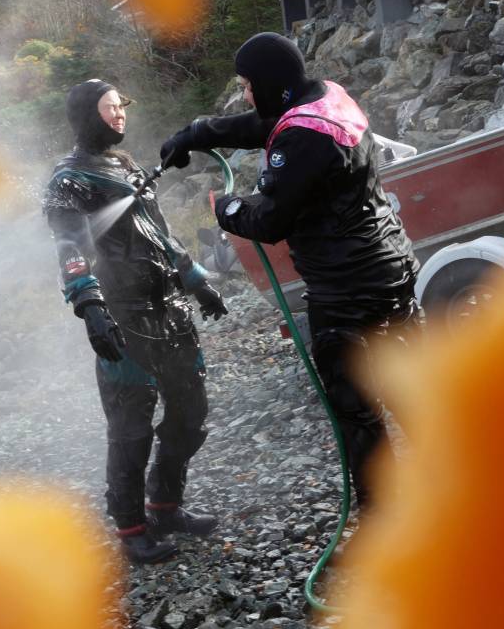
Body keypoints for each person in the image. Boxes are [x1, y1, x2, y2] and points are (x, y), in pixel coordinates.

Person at [160, 33, 422, 509]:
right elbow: (266, 123)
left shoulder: (302, 136)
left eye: (246, 85)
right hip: (391, 267)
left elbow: (270, 220)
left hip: (348, 290)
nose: (244, 94)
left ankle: (387, 528)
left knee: (356, 409)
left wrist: (226, 208)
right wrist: (198, 133)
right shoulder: (327, 97)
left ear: (270, 84)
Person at [43, 79, 227, 563]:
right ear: (87, 116)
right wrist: (90, 307)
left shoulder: (123, 166)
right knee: (132, 427)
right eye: (109, 108)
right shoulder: (69, 181)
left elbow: (158, 233)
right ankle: (130, 528)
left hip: (169, 308)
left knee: (190, 411)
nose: (120, 114)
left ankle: (166, 505)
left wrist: (197, 281)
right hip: (121, 315)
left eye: (122, 105)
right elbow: (69, 247)